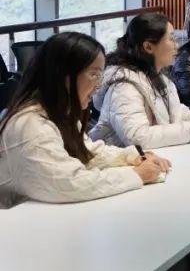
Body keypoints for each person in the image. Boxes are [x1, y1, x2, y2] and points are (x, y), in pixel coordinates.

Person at [0, 32, 170, 208]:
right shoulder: (31, 124)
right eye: (94, 74)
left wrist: (133, 157)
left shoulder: (59, 112)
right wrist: (136, 174)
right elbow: (68, 183)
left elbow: (86, 153)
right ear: (63, 75)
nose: (98, 85)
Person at [90, 13, 190, 148]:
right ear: (148, 47)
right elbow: (138, 137)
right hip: (118, 158)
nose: (177, 45)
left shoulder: (157, 76)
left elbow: (175, 112)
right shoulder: (123, 86)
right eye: (171, 39)